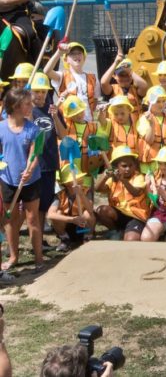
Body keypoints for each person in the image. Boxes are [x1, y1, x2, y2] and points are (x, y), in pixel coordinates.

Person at [0, 88, 44, 272]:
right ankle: (13, 256)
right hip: (8, 180)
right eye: (27, 103)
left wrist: (29, 169)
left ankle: (39, 258)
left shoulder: (35, 129)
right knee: (10, 220)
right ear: (15, 106)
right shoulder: (1, 127)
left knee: (33, 218)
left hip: (31, 180)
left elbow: (36, 154)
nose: (31, 106)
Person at [95, 145, 151, 242]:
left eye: (130, 165)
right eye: (124, 166)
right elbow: (97, 189)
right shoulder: (113, 179)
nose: (128, 169)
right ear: (116, 167)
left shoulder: (138, 177)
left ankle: (131, 231)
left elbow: (136, 192)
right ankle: (115, 231)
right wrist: (105, 176)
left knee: (130, 240)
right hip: (119, 215)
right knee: (101, 210)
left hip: (136, 216)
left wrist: (123, 180)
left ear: (135, 165)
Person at [29, 73, 60, 220]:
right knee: (30, 205)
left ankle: (39, 241)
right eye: (36, 91)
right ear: (30, 91)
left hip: (49, 164)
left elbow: (63, 135)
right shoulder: (26, 111)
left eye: (43, 91)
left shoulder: (52, 109)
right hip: (32, 165)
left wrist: (55, 117)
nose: (40, 95)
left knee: (43, 206)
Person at [47, 166, 95, 252]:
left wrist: (81, 194)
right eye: (77, 178)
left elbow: (90, 210)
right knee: (57, 213)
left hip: (83, 228)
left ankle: (87, 237)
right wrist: (72, 220)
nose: (81, 180)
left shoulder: (85, 190)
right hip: (68, 226)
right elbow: (50, 214)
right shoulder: (60, 194)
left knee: (88, 214)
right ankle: (65, 239)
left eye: (80, 177)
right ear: (67, 183)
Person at [45, 42, 97, 121]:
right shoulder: (62, 76)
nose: (76, 56)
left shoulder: (93, 78)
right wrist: (59, 52)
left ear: (84, 57)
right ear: (66, 59)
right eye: (72, 54)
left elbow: (95, 101)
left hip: (88, 126)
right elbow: (47, 71)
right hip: (68, 125)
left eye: (79, 53)